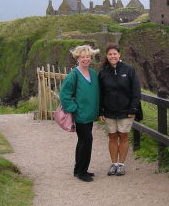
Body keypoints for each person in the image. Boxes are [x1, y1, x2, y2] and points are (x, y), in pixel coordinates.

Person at [99, 43, 141, 176]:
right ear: (107, 56)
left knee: (123, 137)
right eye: (110, 54)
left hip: (126, 111)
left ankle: (121, 165)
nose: (112, 56)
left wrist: (133, 109)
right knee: (112, 137)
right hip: (109, 111)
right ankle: (114, 164)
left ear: (119, 54)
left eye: (114, 53)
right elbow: (100, 93)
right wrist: (100, 111)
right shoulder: (103, 73)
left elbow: (136, 91)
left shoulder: (129, 70)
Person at [60, 45, 100, 182]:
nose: (86, 59)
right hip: (81, 115)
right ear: (77, 58)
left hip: (90, 114)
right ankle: (81, 172)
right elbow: (64, 94)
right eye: (83, 56)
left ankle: (79, 169)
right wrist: (74, 108)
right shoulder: (74, 75)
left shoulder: (93, 74)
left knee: (83, 142)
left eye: (88, 56)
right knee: (86, 141)